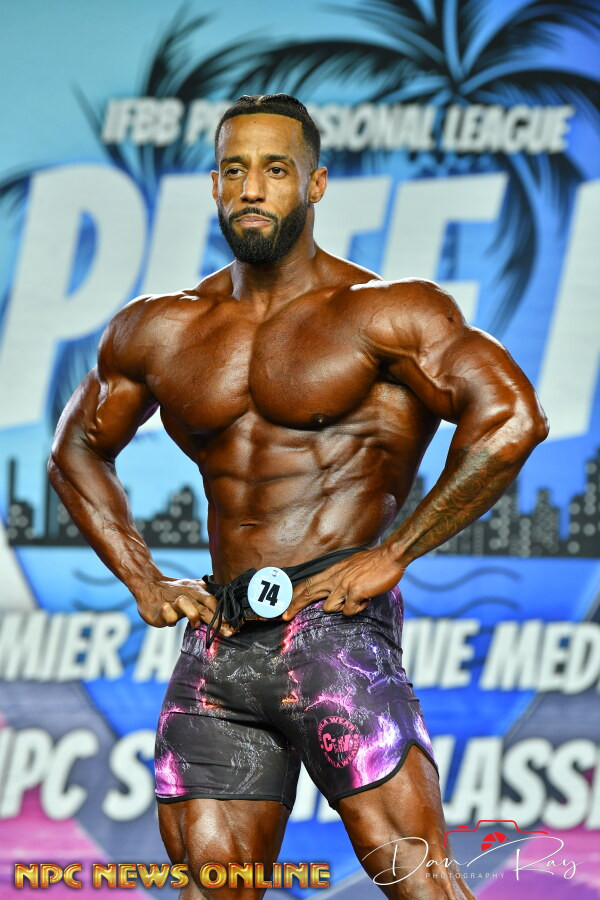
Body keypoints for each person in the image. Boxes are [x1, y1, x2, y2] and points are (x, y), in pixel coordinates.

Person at [49, 93, 548, 899]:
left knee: (422, 885)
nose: (252, 187)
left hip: (337, 639)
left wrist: (394, 553)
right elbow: (75, 448)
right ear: (214, 185)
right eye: (234, 170)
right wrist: (144, 579)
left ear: (315, 184)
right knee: (214, 889)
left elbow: (513, 418)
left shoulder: (387, 313)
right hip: (218, 649)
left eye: (276, 169)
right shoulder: (162, 328)